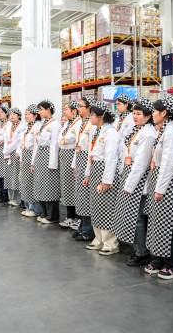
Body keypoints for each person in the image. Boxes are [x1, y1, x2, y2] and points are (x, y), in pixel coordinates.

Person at [110, 98, 157, 266]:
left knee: (136, 217)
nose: (135, 116)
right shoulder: (138, 130)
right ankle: (139, 248)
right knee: (132, 216)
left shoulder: (148, 134)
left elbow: (141, 163)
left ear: (148, 116)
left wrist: (129, 185)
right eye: (134, 113)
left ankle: (142, 252)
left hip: (139, 180)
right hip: (129, 175)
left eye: (139, 114)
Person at [143, 97, 173, 280]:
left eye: (154, 111)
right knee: (158, 224)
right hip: (160, 182)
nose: (152, 113)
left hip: (170, 185)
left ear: (164, 113)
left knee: (171, 227)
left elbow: (168, 163)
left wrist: (160, 189)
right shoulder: (163, 131)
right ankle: (159, 259)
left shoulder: (172, 133)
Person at [83, 100, 121, 255]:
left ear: (101, 116)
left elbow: (111, 158)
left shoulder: (111, 133)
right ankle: (98, 239)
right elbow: (91, 155)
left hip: (104, 171)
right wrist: (87, 174)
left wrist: (107, 180)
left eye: (92, 115)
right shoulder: (96, 131)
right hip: (95, 170)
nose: (90, 117)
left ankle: (110, 243)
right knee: (96, 207)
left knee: (106, 207)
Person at [31, 100, 61, 224]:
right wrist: (33, 162)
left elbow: (54, 145)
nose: (39, 112)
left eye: (41, 109)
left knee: (50, 186)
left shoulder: (55, 125)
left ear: (48, 110)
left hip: (48, 157)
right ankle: (44, 212)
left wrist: (53, 163)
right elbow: (36, 143)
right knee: (40, 185)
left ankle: (52, 216)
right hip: (40, 157)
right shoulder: (42, 124)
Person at [71, 96, 96, 241]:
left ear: (89, 108)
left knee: (86, 195)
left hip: (87, 159)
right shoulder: (81, 122)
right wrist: (74, 164)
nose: (78, 108)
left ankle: (88, 230)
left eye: (81, 106)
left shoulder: (92, 124)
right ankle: (82, 226)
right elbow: (78, 145)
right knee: (80, 195)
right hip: (80, 158)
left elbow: (90, 148)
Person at [58, 100, 82, 229]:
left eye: (66, 109)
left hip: (72, 155)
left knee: (73, 187)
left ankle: (77, 217)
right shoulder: (67, 123)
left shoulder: (78, 123)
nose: (64, 112)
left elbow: (72, 139)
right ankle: (70, 216)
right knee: (66, 186)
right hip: (64, 156)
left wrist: (64, 140)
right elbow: (60, 139)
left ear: (74, 111)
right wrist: (63, 140)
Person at [19, 104, 43, 217]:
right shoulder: (27, 127)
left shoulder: (38, 126)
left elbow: (35, 144)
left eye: (28, 114)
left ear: (35, 115)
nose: (26, 116)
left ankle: (35, 209)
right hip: (25, 155)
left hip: (32, 155)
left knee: (32, 182)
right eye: (25, 114)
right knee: (25, 182)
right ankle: (28, 206)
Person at [3, 107, 25, 207]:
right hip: (8, 153)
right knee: (8, 176)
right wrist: (6, 153)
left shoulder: (22, 127)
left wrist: (7, 150)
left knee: (16, 176)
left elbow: (18, 142)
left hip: (16, 153)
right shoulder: (9, 125)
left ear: (19, 116)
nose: (11, 116)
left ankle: (17, 199)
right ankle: (11, 197)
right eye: (10, 114)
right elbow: (5, 139)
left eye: (14, 114)